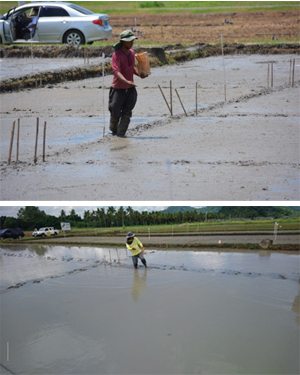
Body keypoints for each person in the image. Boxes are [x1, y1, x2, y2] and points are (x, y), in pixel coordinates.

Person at [109, 30, 148, 137]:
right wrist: (126, 81)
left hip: (130, 88)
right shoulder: (116, 55)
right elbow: (116, 71)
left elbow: (131, 68)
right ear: (123, 42)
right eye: (129, 41)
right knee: (115, 112)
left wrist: (140, 74)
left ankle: (121, 135)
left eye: (132, 40)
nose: (131, 42)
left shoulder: (132, 53)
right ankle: (113, 129)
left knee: (127, 112)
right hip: (118, 88)